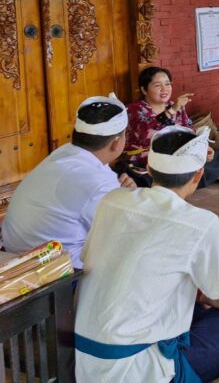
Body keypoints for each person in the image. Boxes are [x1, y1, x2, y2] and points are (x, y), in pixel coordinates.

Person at [75, 126, 219, 382]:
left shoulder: (112, 200)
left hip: (86, 362)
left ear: (149, 169)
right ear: (199, 175)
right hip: (145, 370)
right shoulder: (201, 222)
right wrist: (206, 296)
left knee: (192, 298)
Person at [2, 94, 135, 268]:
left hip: (16, 253)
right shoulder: (97, 181)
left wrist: (122, 195)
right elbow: (127, 231)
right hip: (54, 274)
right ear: (117, 143)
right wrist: (130, 197)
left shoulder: (65, 153)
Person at [125, 66, 219, 188]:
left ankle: (205, 175)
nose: (164, 89)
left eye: (167, 84)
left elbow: (190, 130)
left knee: (218, 158)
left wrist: (204, 147)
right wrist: (172, 110)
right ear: (144, 90)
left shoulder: (174, 106)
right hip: (150, 158)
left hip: (178, 153)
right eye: (158, 85)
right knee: (175, 169)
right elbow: (148, 134)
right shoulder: (134, 110)